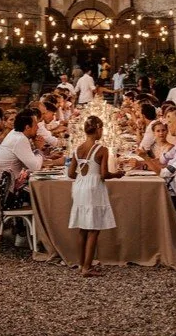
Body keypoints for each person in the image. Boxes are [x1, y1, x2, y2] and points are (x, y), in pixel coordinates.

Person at [68, 115, 123, 276]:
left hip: (79, 186)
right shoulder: (102, 150)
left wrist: (83, 174)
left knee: (83, 228)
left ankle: (81, 263)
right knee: (94, 229)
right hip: (94, 187)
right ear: (98, 129)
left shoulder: (77, 149)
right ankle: (87, 267)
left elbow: (71, 173)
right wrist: (117, 174)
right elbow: (104, 174)